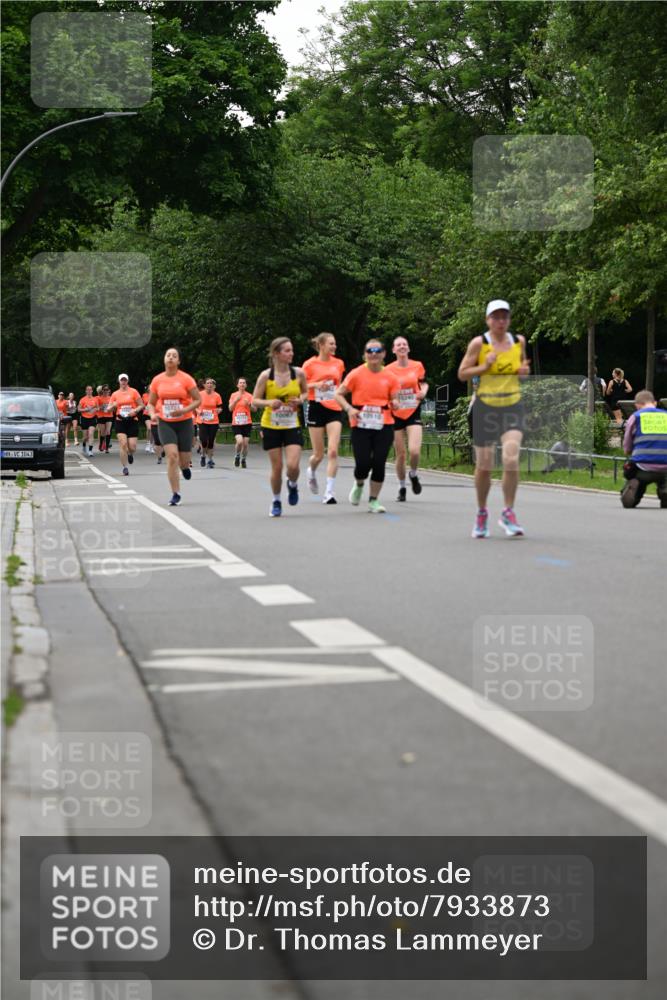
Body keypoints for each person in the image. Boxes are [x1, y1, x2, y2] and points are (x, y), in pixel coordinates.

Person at [458, 299, 530, 538]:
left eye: (504, 317)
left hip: (512, 405)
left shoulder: (518, 342)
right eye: (495, 317)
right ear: (488, 320)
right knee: (484, 466)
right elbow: (462, 373)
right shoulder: (479, 343)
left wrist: (523, 373)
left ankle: (508, 512)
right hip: (485, 407)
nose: (500, 321)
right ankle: (482, 512)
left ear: (508, 319)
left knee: (511, 458)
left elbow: (521, 372)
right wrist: (483, 367)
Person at [334, 339, 401, 513]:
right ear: (365, 355)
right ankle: (359, 483)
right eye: (370, 351)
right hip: (361, 423)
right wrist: (348, 409)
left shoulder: (390, 377)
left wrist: (395, 403)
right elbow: (338, 394)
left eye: (377, 351)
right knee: (363, 463)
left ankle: (373, 500)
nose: (373, 354)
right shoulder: (356, 374)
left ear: (384, 354)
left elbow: (395, 398)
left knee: (379, 462)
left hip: (384, 423)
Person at [252, 338, 308, 517]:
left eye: (292, 350)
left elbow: (306, 392)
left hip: (291, 424)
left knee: (293, 465)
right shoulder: (265, 376)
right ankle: (276, 500)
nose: (291, 354)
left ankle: (292, 485)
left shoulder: (298, 373)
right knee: (277, 468)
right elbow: (254, 401)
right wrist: (270, 402)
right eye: (287, 351)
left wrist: (300, 400)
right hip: (271, 425)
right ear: (276, 353)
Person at [147, 347, 201, 506]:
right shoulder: (157, 380)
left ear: (178, 361)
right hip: (165, 422)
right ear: (164, 359)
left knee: (184, 461)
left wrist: (184, 410)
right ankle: (175, 493)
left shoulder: (186, 379)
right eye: (168, 355)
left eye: (174, 356)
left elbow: (198, 400)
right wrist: (152, 414)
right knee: (172, 456)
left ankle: (185, 468)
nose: (171, 358)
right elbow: (150, 403)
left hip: (184, 423)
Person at [302, 332, 346, 504]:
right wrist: (316, 385)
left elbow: (339, 384)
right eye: (331, 344)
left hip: (334, 408)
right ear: (321, 345)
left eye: (335, 344)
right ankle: (311, 472)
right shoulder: (309, 364)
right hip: (316, 407)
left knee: (333, 451)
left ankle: (329, 492)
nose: (334, 347)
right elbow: (301, 387)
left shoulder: (339, 363)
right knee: (318, 454)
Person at [386, 336, 429, 501]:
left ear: (408, 349)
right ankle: (402, 487)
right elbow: (385, 391)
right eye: (398, 345)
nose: (402, 347)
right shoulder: (388, 369)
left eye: (404, 344)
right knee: (401, 454)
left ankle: (413, 474)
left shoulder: (417, 365)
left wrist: (423, 392)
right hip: (395, 413)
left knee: (414, 450)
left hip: (413, 411)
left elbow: (423, 383)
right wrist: (392, 400)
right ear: (394, 350)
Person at [620, 390, 667, 508]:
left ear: (637, 405)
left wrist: (628, 451)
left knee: (631, 471)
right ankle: (664, 489)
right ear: (655, 403)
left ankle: (634, 489)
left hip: (642, 466)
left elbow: (627, 443)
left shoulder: (636, 417)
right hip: (665, 467)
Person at [108, 374, 144, 476]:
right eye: (121, 380)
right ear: (119, 381)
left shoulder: (134, 392)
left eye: (125, 380)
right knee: (123, 444)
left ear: (127, 381)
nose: (123, 382)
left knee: (132, 447)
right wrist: (113, 406)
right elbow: (108, 408)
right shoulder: (115, 394)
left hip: (132, 420)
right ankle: (125, 467)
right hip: (120, 420)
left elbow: (141, 405)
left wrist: (135, 410)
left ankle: (130, 453)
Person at [228, 377, 255, 468]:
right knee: (239, 442)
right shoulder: (233, 395)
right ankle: (237, 456)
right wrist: (236, 400)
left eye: (244, 383)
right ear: (237, 385)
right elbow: (230, 409)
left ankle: (243, 459)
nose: (242, 384)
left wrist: (249, 404)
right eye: (240, 383)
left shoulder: (250, 396)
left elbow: (255, 409)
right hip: (236, 422)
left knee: (246, 444)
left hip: (247, 422)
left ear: (246, 385)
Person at [197, 378, 223, 468]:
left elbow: (220, 407)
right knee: (204, 440)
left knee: (211, 441)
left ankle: (210, 460)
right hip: (202, 420)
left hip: (214, 421)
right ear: (204, 385)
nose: (209, 384)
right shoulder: (200, 394)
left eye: (211, 383)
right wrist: (198, 411)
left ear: (213, 385)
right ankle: (203, 455)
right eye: (207, 383)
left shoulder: (217, 395)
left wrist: (219, 410)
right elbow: (194, 406)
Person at [78, 386, 99, 456]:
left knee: (91, 434)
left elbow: (98, 408)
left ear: (92, 391)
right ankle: (84, 445)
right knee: (85, 437)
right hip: (84, 418)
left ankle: (90, 450)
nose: (89, 391)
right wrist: (86, 410)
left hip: (92, 418)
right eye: (88, 390)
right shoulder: (82, 399)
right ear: (86, 391)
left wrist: (94, 409)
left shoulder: (95, 399)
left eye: (90, 390)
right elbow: (78, 409)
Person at [96, 385, 113, 452]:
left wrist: (111, 408)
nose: (106, 391)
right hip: (101, 416)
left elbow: (114, 408)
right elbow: (97, 407)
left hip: (109, 416)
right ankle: (101, 444)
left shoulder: (111, 398)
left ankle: (107, 448)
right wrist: (101, 407)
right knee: (102, 432)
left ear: (108, 390)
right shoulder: (98, 398)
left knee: (108, 431)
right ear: (102, 391)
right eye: (104, 390)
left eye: (107, 390)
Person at [142, 387, 154, 453]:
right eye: (149, 387)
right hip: (146, 414)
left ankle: (151, 445)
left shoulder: (155, 395)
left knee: (152, 429)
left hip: (153, 414)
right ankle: (148, 443)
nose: (150, 388)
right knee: (149, 428)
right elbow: (142, 404)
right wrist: (144, 407)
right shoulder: (144, 395)